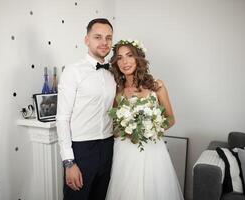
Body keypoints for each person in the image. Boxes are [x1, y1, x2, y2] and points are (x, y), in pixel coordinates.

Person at [105, 39, 184, 200]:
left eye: (129, 56)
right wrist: (126, 129)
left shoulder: (156, 86)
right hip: (125, 152)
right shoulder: (117, 91)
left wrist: (151, 129)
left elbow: (170, 119)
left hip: (153, 150)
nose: (125, 62)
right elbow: (113, 123)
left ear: (138, 58)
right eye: (119, 57)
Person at [56, 18, 116, 200]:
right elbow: (62, 118)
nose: (104, 42)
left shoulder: (114, 72)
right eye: (98, 37)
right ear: (86, 40)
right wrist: (69, 162)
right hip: (81, 150)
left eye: (108, 38)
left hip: (108, 146)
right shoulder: (72, 71)